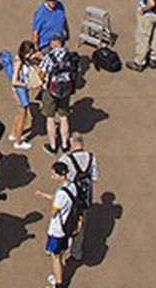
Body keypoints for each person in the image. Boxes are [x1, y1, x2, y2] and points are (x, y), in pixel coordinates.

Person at [55, 136, 98, 264]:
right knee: (80, 225)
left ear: (71, 144)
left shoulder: (66, 159)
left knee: (64, 223)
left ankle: (62, 251)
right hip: (84, 198)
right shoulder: (91, 157)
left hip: (69, 197)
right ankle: (76, 251)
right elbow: (95, 176)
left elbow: (58, 175)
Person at [37, 158, 79, 287]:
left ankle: (58, 283)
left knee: (56, 257)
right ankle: (57, 277)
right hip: (67, 226)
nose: (52, 176)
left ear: (61, 175)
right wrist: (44, 195)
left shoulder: (61, 193)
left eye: (54, 174)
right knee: (60, 253)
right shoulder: (71, 186)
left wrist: (51, 210)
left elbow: (54, 211)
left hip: (57, 230)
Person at [39, 33, 76, 154]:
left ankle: (53, 145)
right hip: (66, 89)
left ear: (54, 43)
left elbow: (41, 73)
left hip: (51, 90)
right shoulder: (70, 56)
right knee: (64, 117)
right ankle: (65, 144)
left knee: (50, 118)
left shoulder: (49, 57)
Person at [4, 41, 42, 149]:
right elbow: (14, 81)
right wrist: (28, 85)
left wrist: (37, 56)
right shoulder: (19, 62)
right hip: (19, 91)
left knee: (19, 113)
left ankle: (14, 134)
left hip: (19, 90)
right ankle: (18, 141)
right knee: (22, 115)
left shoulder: (22, 58)